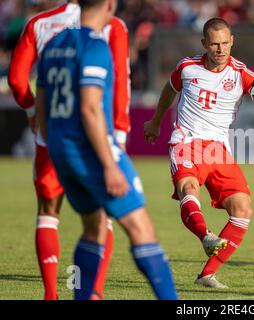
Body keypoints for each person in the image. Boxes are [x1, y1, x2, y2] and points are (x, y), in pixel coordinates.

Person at [143, 17, 254, 289]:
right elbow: (170, 88)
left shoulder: (240, 73)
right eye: (214, 43)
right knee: (188, 189)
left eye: (225, 42)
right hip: (187, 141)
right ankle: (206, 236)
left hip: (218, 151)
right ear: (204, 43)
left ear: (232, 42)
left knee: (243, 208)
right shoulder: (187, 67)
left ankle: (207, 275)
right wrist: (156, 121)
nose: (220, 49)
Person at [35, 0, 178, 300]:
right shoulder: (96, 47)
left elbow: (41, 108)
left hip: (61, 150)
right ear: (110, 5)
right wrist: (109, 164)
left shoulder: (54, 44)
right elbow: (90, 109)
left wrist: (59, 150)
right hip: (92, 151)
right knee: (141, 229)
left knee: (93, 229)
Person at [8, 0, 130, 300]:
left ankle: (51, 293)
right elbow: (120, 81)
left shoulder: (40, 24)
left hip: (54, 130)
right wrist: (120, 131)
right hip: (97, 133)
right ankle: (95, 292)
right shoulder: (112, 25)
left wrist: (31, 110)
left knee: (48, 212)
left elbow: (16, 78)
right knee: (103, 216)